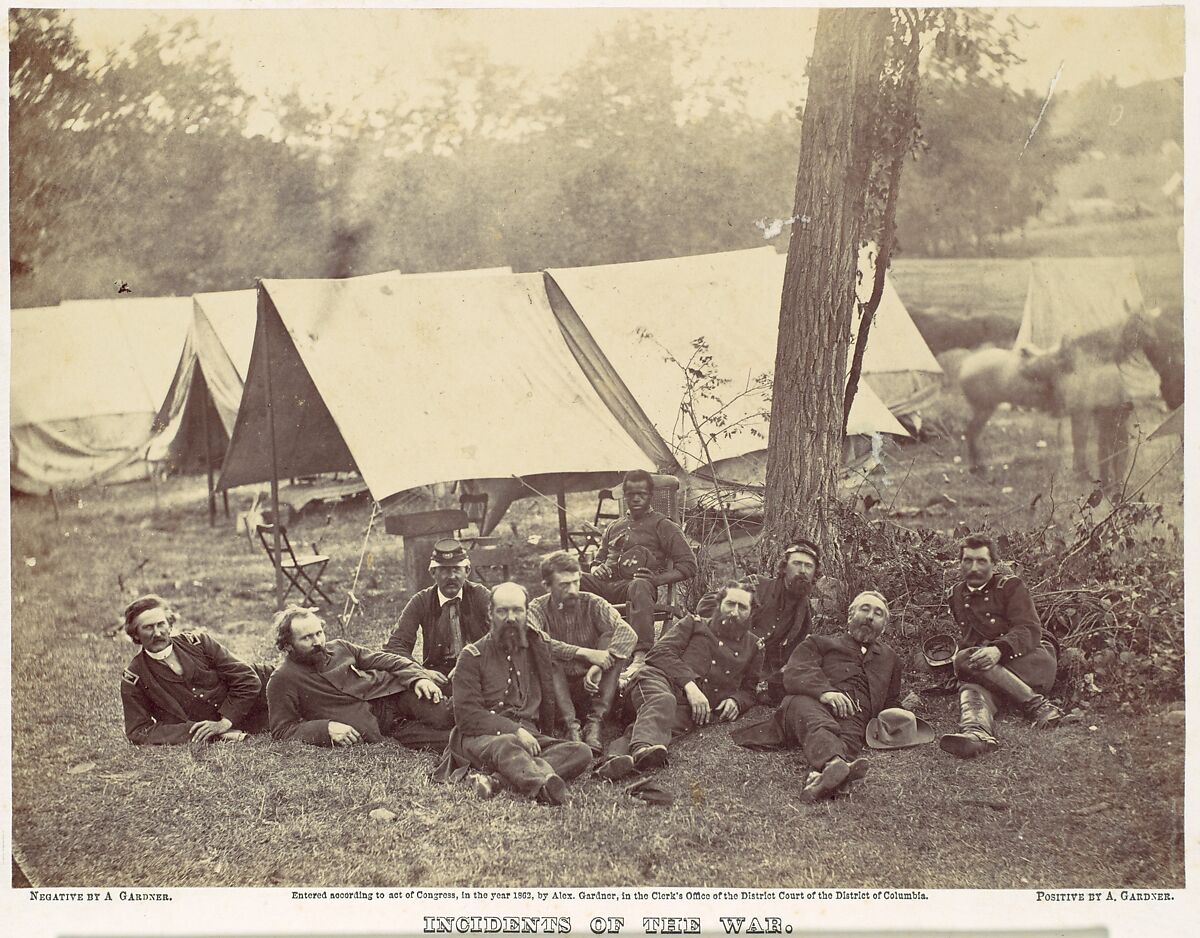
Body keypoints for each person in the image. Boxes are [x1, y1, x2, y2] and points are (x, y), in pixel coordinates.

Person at [732, 591, 902, 803]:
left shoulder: (891, 659)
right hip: (810, 706)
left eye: (878, 614)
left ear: (883, 626)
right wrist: (826, 693)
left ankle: (824, 776)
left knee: (848, 740)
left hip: (855, 719)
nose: (870, 616)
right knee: (805, 709)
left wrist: (900, 718)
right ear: (850, 616)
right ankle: (833, 766)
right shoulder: (819, 643)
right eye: (865, 609)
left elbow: (891, 700)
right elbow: (796, 671)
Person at [436, 582, 593, 805]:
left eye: (518, 610)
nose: (511, 618)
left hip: (528, 735)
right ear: (490, 615)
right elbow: (466, 717)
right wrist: (515, 730)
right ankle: (542, 787)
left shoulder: (537, 647)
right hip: (479, 737)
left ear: (527, 613)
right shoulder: (471, 656)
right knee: (507, 742)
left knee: (580, 751)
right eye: (502, 611)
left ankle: (497, 781)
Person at [596, 580, 762, 780]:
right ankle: (641, 749)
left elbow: (750, 690)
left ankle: (614, 760)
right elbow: (658, 653)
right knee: (663, 701)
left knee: (663, 723)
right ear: (719, 605)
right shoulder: (694, 623)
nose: (734, 612)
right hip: (656, 681)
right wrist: (690, 685)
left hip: (687, 710)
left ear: (751, 613)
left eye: (742, 607)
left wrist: (737, 700)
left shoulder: (754, 646)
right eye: (730, 604)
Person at [939, 534, 1063, 758]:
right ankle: (976, 734)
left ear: (994, 564)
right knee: (971, 688)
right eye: (967, 560)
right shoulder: (956, 594)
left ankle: (1038, 705)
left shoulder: (1010, 586)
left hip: (1030, 660)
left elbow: (1029, 629)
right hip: (987, 670)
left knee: (964, 661)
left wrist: (999, 650)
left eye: (981, 561)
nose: (974, 567)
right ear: (960, 563)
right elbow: (970, 639)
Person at [267, 607, 453, 750]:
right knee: (447, 740)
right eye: (307, 638)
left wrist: (419, 678)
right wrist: (327, 728)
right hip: (385, 727)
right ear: (287, 645)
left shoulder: (340, 647)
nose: (317, 642)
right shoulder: (282, 679)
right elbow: (282, 729)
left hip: (398, 694)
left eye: (319, 633)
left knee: (445, 714)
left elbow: (387, 659)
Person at [581, 469, 697, 681]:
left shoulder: (663, 525)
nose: (636, 498)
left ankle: (641, 657)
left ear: (650, 495)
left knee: (639, 585)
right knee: (575, 580)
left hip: (637, 589)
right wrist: (596, 568)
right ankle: (579, 647)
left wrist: (657, 580)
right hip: (607, 587)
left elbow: (689, 565)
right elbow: (597, 560)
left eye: (641, 493)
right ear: (625, 495)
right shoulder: (613, 527)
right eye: (631, 493)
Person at [119, 595, 270, 746]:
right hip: (249, 723)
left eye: (161, 624)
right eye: (148, 627)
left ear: (170, 625)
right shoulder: (135, 677)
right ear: (135, 634)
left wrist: (224, 723)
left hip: (264, 693)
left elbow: (247, 678)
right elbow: (138, 731)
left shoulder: (199, 643)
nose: (157, 633)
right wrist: (196, 731)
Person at [528, 551, 637, 751]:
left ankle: (595, 722)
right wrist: (583, 653)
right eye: (564, 585)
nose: (572, 590)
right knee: (546, 653)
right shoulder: (537, 607)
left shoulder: (593, 602)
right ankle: (572, 727)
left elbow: (628, 633)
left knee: (611, 638)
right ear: (547, 585)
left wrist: (599, 664)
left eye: (576, 582)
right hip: (556, 691)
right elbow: (534, 640)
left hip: (593, 687)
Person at [696, 540, 818, 706]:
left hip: (750, 672)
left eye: (808, 566)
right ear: (784, 567)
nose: (802, 571)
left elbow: (795, 651)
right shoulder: (757, 586)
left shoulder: (804, 610)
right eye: (797, 564)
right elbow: (706, 604)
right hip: (719, 657)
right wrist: (738, 627)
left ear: (814, 573)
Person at [384, 539, 490, 685]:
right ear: (432, 572)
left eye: (456, 569)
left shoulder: (481, 595)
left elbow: (500, 635)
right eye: (444, 570)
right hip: (439, 677)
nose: (451, 576)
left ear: (467, 571)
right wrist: (421, 673)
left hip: (479, 671)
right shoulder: (421, 601)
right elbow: (395, 645)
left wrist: (472, 663)